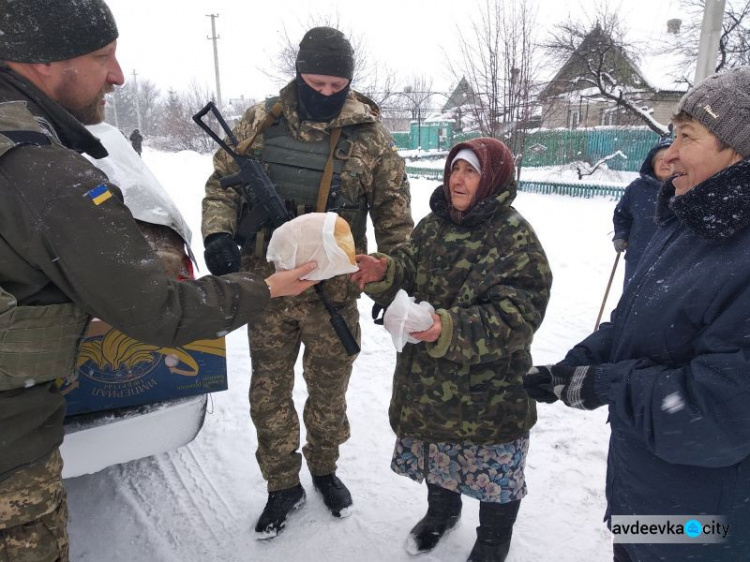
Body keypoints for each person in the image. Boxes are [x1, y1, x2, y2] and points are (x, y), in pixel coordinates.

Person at [0, 2, 317, 560]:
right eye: (103, 57)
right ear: (43, 61)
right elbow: (162, 310)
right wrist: (265, 285)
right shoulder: (46, 171)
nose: (118, 75)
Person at [523, 67, 750, 562]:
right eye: (672, 135)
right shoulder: (691, 222)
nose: (667, 156)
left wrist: (606, 384)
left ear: (739, 148)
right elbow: (643, 323)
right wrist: (579, 363)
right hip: (646, 497)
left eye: (686, 136)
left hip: (706, 526)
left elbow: (718, 413)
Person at [201, 26, 413, 538]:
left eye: (335, 85)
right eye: (315, 83)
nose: (325, 94)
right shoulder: (260, 121)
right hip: (269, 287)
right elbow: (222, 185)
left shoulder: (371, 138)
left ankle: (323, 468)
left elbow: (393, 216)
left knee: (328, 392)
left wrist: (392, 273)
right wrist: (218, 235)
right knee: (268, 391)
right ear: (298, 73)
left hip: (334, 294)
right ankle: (281, 484)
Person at [352, 138, 552, 562]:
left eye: (471, 171)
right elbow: (408, 262)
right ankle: (441, 513)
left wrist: (448, 326)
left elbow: (520, 313)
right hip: (430, 380)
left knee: (494, 471)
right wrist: (384, 270)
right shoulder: (433, 224)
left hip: (488, 390)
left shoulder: (514, 236)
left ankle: (494, 540)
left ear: (493, 179)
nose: (458, 179)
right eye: (454, 169)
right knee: (437, 452)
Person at [612, 138, 672, 286]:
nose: (664, 163)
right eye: (659, 159)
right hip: (638, 255)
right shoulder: (637, 188)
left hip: (672, 258)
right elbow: (622, 215)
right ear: (652, 164)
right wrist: (620, 235)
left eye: (669, 159)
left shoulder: (686, 189)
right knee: (633, 297)